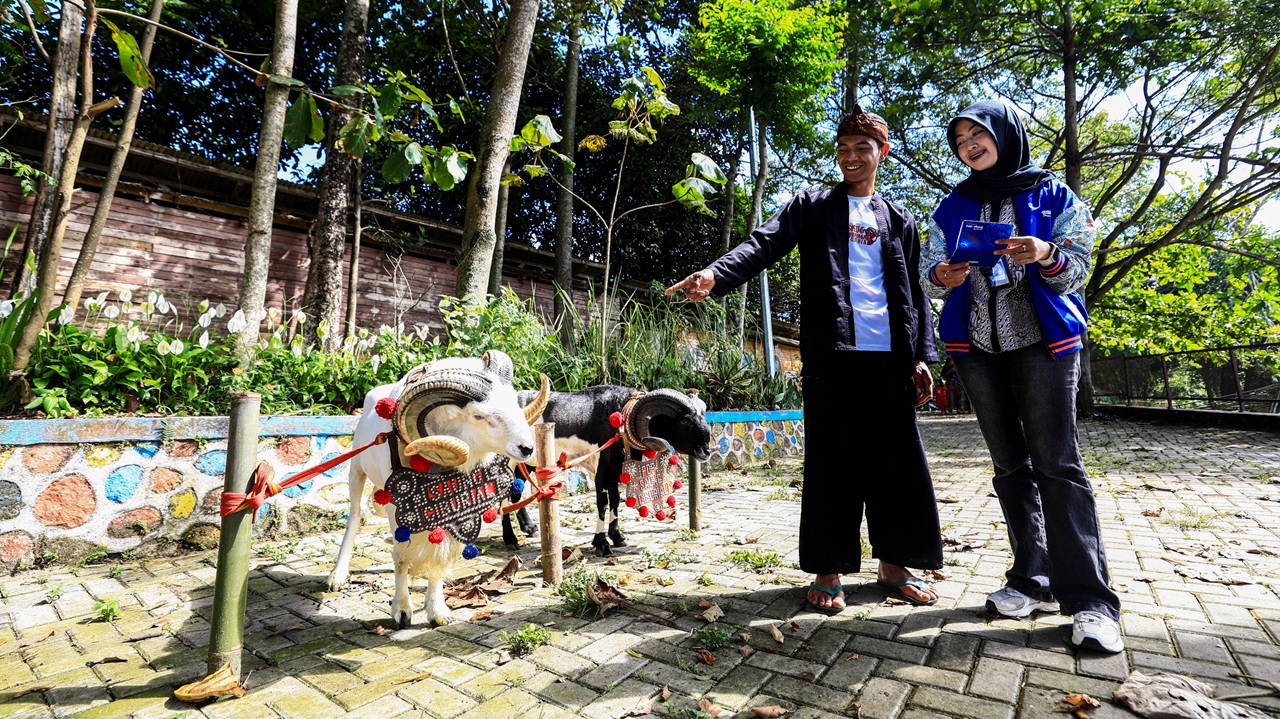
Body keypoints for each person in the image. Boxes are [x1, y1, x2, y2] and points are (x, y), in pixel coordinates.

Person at [666, 106, 944, 612]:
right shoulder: (812, 206)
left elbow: (915, 295)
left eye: (862, 148)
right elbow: (762, 244)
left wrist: (921, 356)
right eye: (843, 149)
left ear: (882, 153)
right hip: (833, 356)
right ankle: (828, 568)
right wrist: (714, 274)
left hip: (889, 359)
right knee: (832, 461)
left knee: (896, 462)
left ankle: (896, 564)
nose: (851, 157)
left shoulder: (899, 219)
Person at [922, 99, 1123, 653]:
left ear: (1004, 135)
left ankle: (1089, 601)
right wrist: (945, 271)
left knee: (1057, 465)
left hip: (1043, 344)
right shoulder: (953, 203)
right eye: (960, 139)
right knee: (1011, 466)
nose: (969, 146)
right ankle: (1031, 580)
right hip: (978, 349)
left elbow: (1079, 266)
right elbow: (931, 274)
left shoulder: (1054, 195)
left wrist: (1047, 254)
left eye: (977, 134)